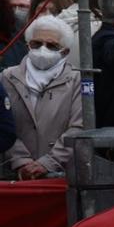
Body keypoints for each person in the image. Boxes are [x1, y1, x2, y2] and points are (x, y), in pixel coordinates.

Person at [3, 14, 84, 180]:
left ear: (65, 51)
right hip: (13, 174)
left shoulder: (78, 80)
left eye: (52, 46)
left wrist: (48, 163)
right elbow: (3, 124)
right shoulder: (7, 77)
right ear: (28, 45)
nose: (42, 49)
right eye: (36, 43)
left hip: (62, 176)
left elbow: (79, 127)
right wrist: (21, 161)